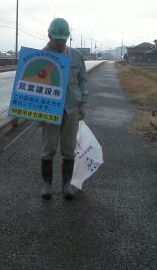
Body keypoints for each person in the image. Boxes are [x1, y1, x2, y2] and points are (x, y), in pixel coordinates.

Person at [40, 18, 88, 200]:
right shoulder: (40, 57)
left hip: (72, 109)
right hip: (49, 109)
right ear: (49, 35)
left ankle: (66, 184)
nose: (59, 42)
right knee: (48, 148)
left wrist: (83, 104)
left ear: (68, 37)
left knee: (69, 149)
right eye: (56, 39)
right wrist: (37, 114)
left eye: (63, 39)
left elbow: (83, 81)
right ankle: (46, 184)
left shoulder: (77, 57)